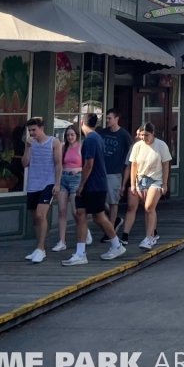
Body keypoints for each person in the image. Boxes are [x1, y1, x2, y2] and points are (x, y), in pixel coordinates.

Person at [62, 113, 126, 265]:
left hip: (94, 185)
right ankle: (80, 253)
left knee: (99, 217)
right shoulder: (97, 138)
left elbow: (89, 164)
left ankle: (117, 245)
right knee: (80, 214)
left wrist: (81, 185)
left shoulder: (91, 139)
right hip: (94, 184)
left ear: (82, 123)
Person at [126, 122, 173, 251]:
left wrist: (165, 183)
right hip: (141, 179)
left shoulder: (161, 145)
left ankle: (148, 238)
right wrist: (133, 184)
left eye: (146, 135)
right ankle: (153, 234)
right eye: (141, 135)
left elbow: (165, 165)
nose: (143, 137)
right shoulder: (137, 146)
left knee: (149, 207)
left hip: (156, 179)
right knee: (149, 209)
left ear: (153, 134)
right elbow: (134, 165)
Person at [22, 118, 61, 264]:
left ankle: (40, 248)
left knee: (40, 214)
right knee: (35, 218)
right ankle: (39, 248)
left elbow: (58, 164)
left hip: (48, 182)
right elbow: (25, 163)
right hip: (33, 183)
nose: (32, 133)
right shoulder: (30, 144)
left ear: (41, 128)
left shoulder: (53, 142)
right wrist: (28, 147)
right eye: (30, 130)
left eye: (34, 130)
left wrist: (57, 184)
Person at [98, 108, 133, 236]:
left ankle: (111, 230)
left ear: (117, 118)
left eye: (110, 118)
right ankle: (114, 221)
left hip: (114, 172)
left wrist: (127, 166)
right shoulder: (102, 133)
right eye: (106, 118)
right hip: (100, 172)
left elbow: (132, 151)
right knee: (99, 200)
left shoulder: (124, 135)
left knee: (113, 201)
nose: (107, 120)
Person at [52, 125, 83, 252]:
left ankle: (84, 231)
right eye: (68, 135)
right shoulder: (63, 147)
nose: (70, 137)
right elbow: (58, 164)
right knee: (62, 211)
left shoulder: (81, 147)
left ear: (77, 135)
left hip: (76, 178)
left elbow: (88, 165)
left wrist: (79, 169)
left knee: (76, 212)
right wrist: (57, 182)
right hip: (63, 178)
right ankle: (62, 241)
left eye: (72, 135)